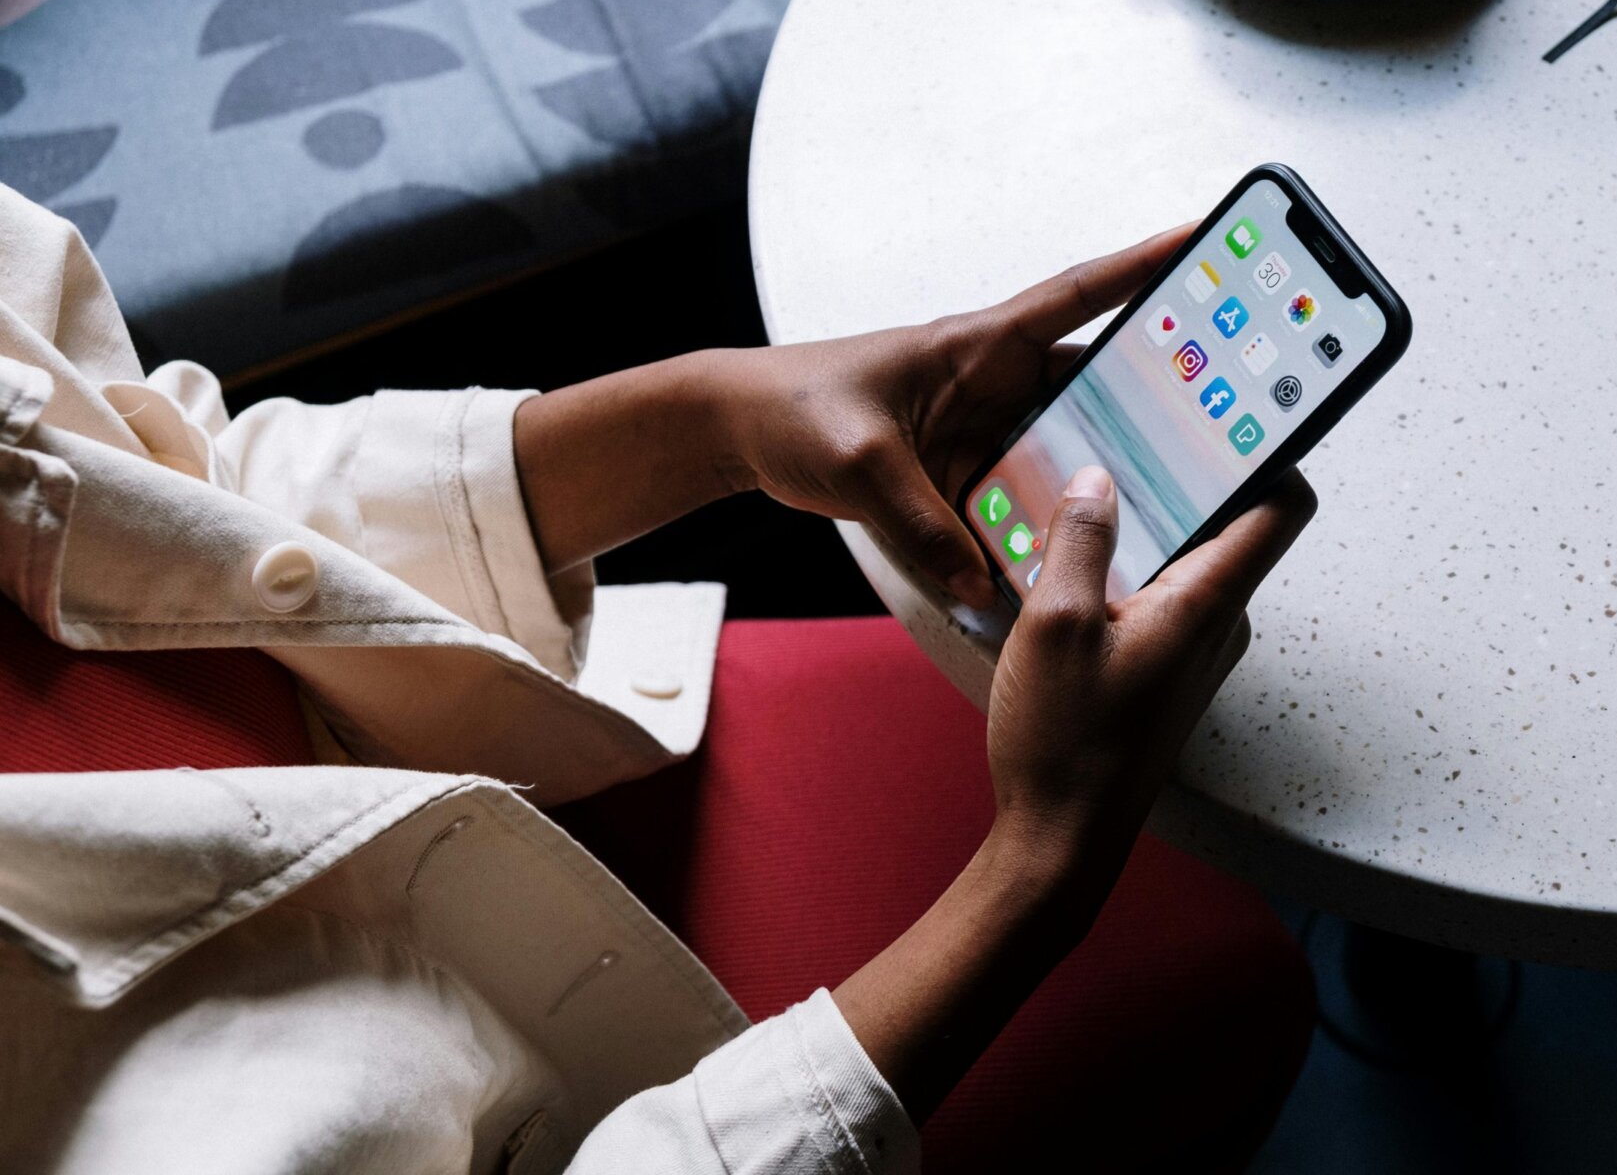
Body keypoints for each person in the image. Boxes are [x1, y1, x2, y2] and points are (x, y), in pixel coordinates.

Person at [0, 182, 1317, 1173]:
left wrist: (716, 416)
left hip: (487, 742)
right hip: (613, 1113)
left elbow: (162, 479)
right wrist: (1040, 870)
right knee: (1231, 963)